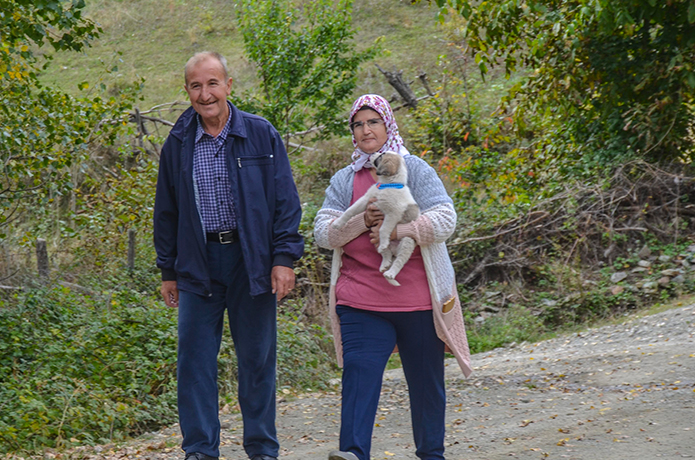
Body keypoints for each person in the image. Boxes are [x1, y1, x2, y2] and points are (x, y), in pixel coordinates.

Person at [153, 51, 304, 460]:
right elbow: (166, 211)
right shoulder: (178, 142)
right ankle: (200, 450)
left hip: (250, 260)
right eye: (196, 86)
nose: (206, 94)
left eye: (212, 83)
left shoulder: (260, 134)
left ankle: (261, 449)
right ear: (186, 91)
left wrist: (284, 259)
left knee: (257, 359)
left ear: (229, 85)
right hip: (197, 264)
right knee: (194, 362)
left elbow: (285, 202)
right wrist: (168, 270)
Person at [313, 94, 472, 460]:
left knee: (426, 385)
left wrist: (402, 231)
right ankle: (352, 453)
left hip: (418, 300)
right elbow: (323, 233)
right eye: (358, 124)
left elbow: (446, 219)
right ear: (352, 132)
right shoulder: (344, 179)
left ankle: (431, 454)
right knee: (359, 370)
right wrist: (361, 222)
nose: (366, 130)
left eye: (373, 122)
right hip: (361, 300)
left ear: (388, 125)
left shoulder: (414, 169)